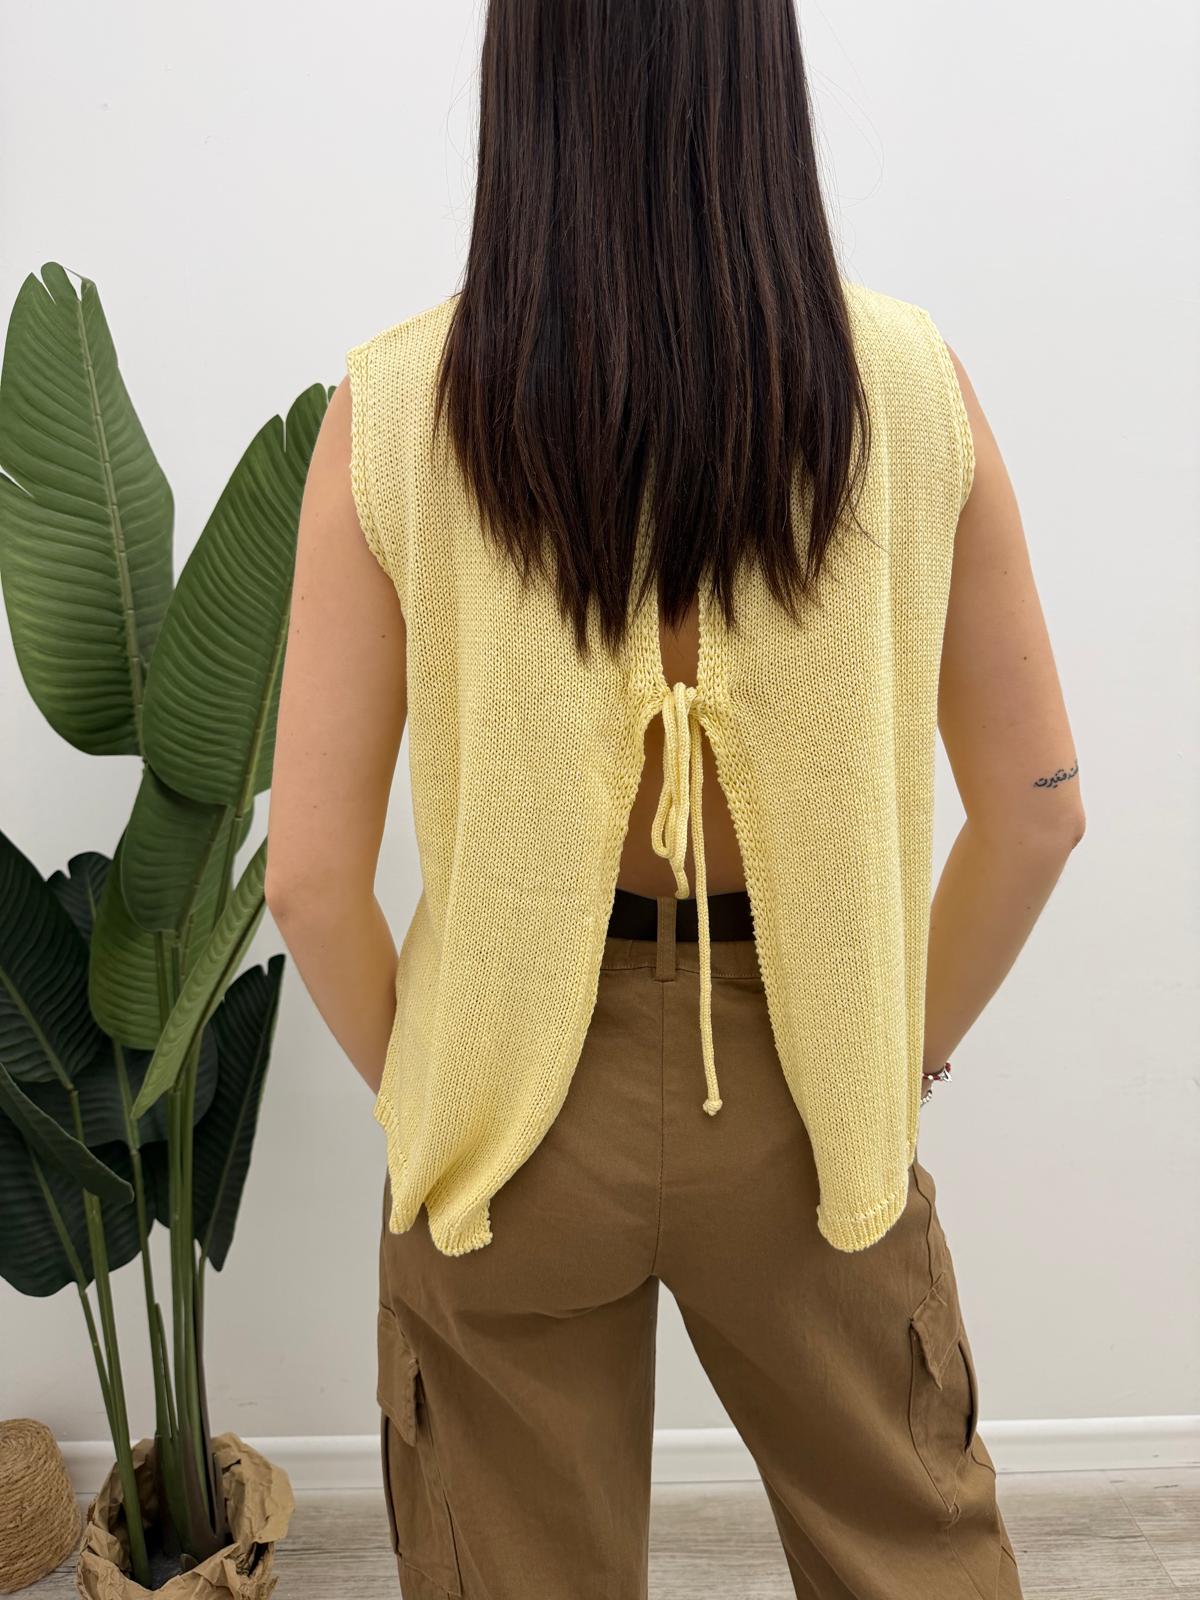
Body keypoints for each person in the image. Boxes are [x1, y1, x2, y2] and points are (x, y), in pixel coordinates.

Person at [265, 3, 1084, 1596]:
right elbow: (1041, 810)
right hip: (811, 1096)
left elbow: (307, 878)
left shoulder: (396, 405)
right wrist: (896, 1057)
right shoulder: (912, 388)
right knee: (913, 1558)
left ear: (524, 89)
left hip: (508, 1118)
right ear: (760, 81)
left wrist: (437, 1085)